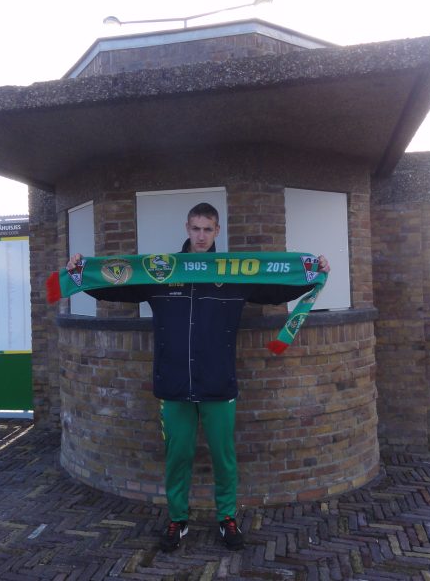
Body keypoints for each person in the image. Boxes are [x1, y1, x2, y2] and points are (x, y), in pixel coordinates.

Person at [66, 203, 330, 553]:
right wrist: (80, 274)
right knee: (178, 455)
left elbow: (275, 289)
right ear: (187, 229)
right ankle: (178, 519)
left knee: (224, 456)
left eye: (207, 229)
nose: (201, 236)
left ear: (217, 231)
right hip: (173, 384)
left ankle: (227, 518)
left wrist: (313, 272)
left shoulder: (236, 273)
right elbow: (118, 287)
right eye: (195, 228)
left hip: (218, 384)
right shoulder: (161, 271)